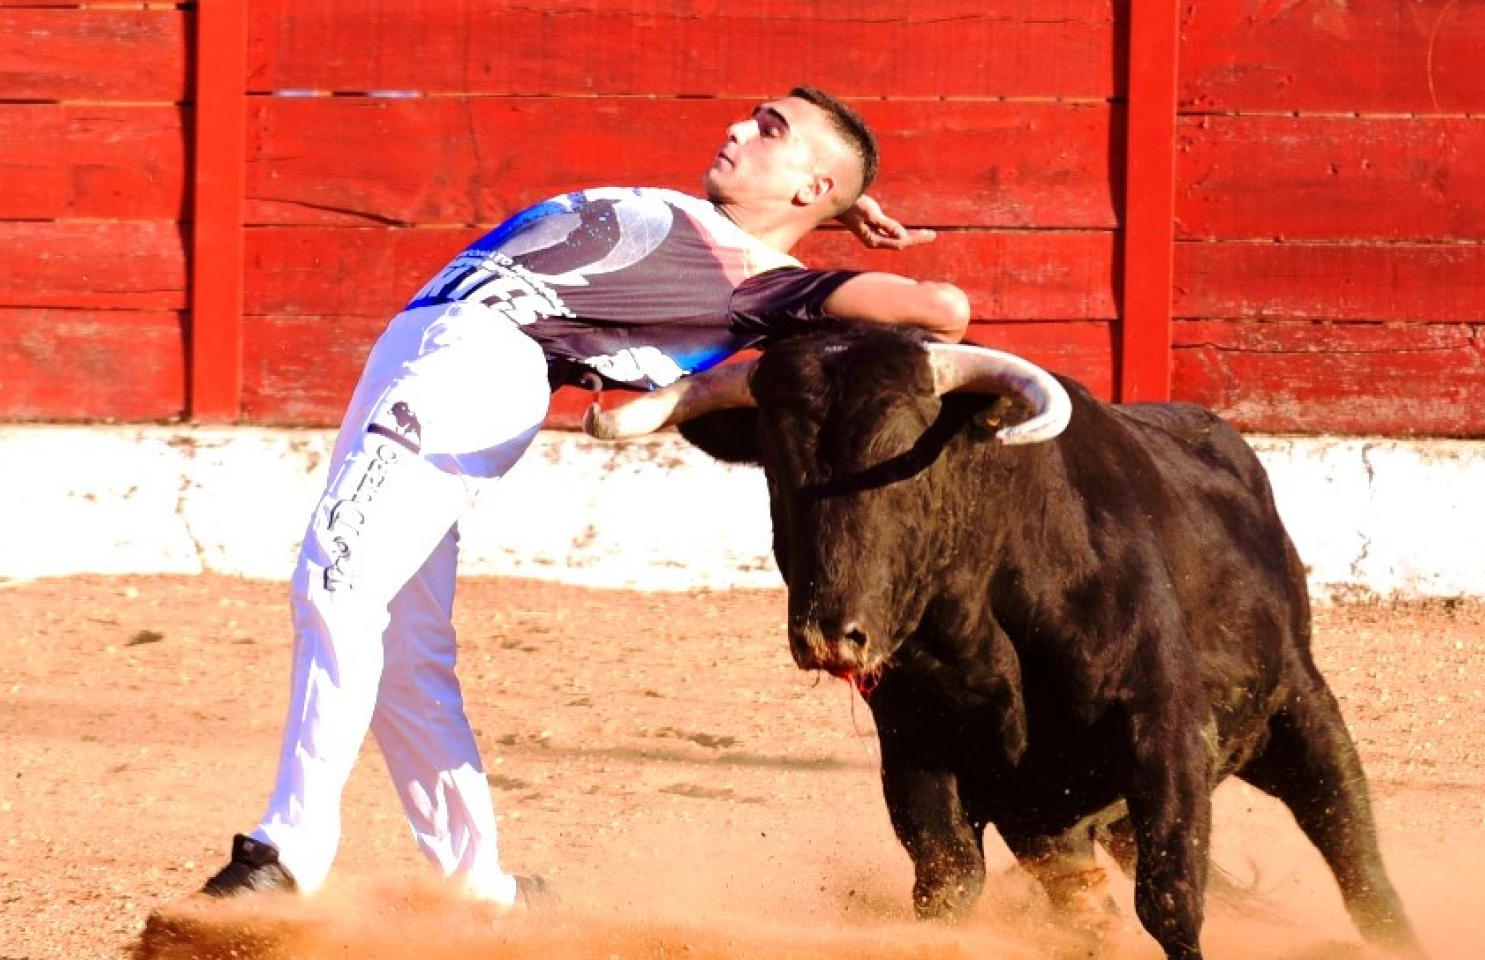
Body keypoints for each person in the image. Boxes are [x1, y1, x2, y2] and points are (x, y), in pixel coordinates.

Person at [198, 86, 970, 910]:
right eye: (753, 115)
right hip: (423, 359)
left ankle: (285, 853)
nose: (738, 128)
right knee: (402, 646)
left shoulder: (766, 285)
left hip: (471, 365)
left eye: (771, 130)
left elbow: (943, 310)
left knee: (337, 587)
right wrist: (832, 198)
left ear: (810, 186)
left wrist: (837, 219)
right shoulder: (724, 234)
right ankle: (477, 888)